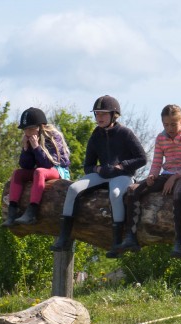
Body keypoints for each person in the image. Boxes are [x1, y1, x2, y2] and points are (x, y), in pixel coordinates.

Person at [52, 95, 148, 257]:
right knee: (73, 188)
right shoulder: (95, 135)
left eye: (103, 114)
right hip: (103, 174)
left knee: (115, 194)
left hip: (123, 175)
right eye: (97, 114)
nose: (99, 117)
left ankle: (117, 243)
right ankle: (64, 237)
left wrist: (121, 166)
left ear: (114, 115)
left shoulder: (125, 133)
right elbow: (87, 166)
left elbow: (142, 158)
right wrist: (98, 169)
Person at [130, 104, 181, 257]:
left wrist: (175, 177)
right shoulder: (161, 138)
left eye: (173, 124)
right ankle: (130, 236)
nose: (170, 128)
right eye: (166, 125)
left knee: (178, 195)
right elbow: (156, 163)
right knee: (135, 190)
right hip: (167, 173)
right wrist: (152, 176)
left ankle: (178, 241)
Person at [3, 107, 71, 227]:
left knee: (39, 171)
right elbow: (26, 165)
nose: (27, 132)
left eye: (30, 129)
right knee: (18, 173)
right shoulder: (29, 139)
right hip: (42, 170)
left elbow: (48, 164)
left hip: (58, 169)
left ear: (40, 127)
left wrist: (36, 147)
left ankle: (32, 212)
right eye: (25, 129)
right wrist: (25, 149)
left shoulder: (53, 136)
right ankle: (12, 213)